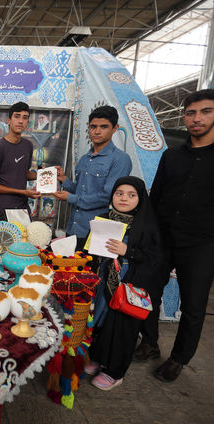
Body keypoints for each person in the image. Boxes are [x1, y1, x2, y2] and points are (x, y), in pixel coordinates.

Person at [134, 89, 214, 383]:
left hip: (202, 244)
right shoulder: (172, 155)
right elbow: (156, 200)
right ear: (184, 117)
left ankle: (180, 358)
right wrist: (148, 236)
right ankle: (150, 343)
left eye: (206, 111)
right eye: (191, 113)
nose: (197, 119)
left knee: (193, 306)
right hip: (165, 239)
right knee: (147, 294)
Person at [83, 177, 161, 390]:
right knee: (101, 322)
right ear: (112, 196)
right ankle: (98, 358)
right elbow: (91, 247)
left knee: (121, 327)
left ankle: (114, 372)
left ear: (140, 198)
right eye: (119, 193)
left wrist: (129, 252)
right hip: (103, 284)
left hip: (128, 285)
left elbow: (156, 257)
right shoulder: (104, 218)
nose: (124, 198)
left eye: (131, 194)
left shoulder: (146, 224)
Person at [54, 106, 132, 249]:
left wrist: (70, 198)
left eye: (103, 127)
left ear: (115, 128)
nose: (97, 131)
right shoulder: (85, 158)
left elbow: (107, 196)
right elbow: (79, 190)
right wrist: (64, 180)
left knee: (92, 271)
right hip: (73, 228)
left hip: (97, 234)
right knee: (70, 269)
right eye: (93, 126)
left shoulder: (120, 159)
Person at [0, 102, 40, 222]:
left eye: (25, 118)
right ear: (8, 121)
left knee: (24, 241)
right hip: (1, 210)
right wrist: (22, 192)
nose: (20, 121)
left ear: (27, 122)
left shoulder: (28, 145)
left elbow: (23, 173)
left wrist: (48, 175)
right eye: (17, 116)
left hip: (22, 209)